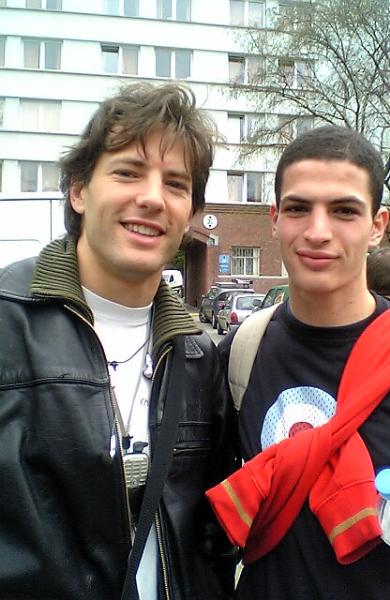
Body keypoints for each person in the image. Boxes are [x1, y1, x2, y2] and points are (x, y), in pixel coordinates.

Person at [0, 83, 237, 600]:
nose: (151, 197)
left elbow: (212, 532)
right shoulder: (8, 323)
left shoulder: (198, 355)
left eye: (175, 183)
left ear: (189, 213)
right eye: (128, 172)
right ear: (79, 191)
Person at [207, 125, 390, 599]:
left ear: (377, 224)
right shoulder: (239, 354)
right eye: (298, 208)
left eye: (344, 210)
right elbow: (207, 527)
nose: (317, 232)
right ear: (275, 218)